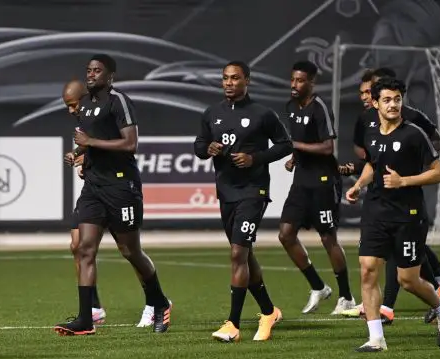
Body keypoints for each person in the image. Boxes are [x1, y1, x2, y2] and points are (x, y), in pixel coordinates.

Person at [54, 54, 172, 336]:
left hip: (121, 187)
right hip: (93, 188)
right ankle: (86, 318)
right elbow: (88, 142)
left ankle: (159, 302)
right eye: (89, 70)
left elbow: (130, 144)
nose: (91, 74)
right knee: (84, 248)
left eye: (97, 70)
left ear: (110, 76)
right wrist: (78, 153)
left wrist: (89, 142)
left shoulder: (118, 101)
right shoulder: (85, 106)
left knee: (130, 251)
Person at [342, 68, 440, 324]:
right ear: (375, 102)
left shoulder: (413, 129)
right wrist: (359, 185)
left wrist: (404, 177)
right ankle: (377, 333)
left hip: (407, 211)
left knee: (408, 278)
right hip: (376, 209)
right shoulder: (369, 127)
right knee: (368, 268)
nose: (393, 104)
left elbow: (439, 172)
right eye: (386, 99)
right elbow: (373, 162)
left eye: (397, 99)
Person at [194, 61, 290, 342]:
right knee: (244, 254)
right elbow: (199, 146)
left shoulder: (262, 114)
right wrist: (208, 148)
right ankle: (269, 311)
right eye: (225, 78)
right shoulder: (212, 113)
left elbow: (285, 144)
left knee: (238, 254)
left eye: (235, 78)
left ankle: (232, 325)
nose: (229, 83)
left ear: (247, 80)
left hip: (253, 191)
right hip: (226, 192)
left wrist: (254, 158)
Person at [279, 60, 355, 315]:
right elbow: (299, 141)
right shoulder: (290, 107)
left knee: (327, 238)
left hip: (324, 181)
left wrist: (295, 146)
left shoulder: (319, 107)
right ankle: (318, 286)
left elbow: (327, 147)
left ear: (312, 82)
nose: (294, 84)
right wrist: (294, 158)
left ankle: (346, 297)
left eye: (300, 81)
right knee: (286, 234)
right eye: (293, 79)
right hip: (301, 180)